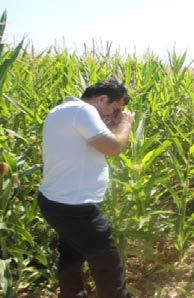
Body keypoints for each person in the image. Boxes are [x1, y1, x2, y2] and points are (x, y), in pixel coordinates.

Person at [37, 80, 134, 297]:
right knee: (109, 263)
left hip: (54, 202)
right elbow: (114, 147)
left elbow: (86, 143)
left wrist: (109, 122)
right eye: (115, 108)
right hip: (76, 209)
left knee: (72, 255)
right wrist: (126, 122)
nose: (115, 114)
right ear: (102, 99)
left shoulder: (61, 110)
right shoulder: (84, 111)